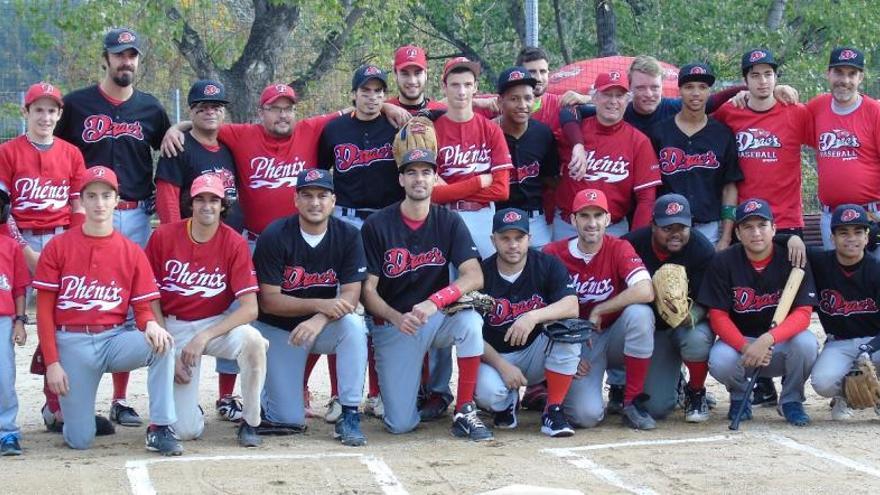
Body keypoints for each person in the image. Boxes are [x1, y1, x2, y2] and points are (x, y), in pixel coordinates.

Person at [54, 27, 172, 427]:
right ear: (105, 58)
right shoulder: (76, 105)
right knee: (73, 302)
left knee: (124, 307)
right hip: (85, 212)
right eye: (119, 54)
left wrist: (183, 127)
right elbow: (54, 153)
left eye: (132, 55)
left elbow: (171, 144)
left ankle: (120, 400)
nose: (126, 62)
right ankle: (57, 400)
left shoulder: (151, 109)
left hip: (135, 214)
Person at [33, 166, 182, 455]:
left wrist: (150, 324)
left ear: (116, 200)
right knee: (80, 440)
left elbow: (141, 307)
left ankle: (161, 427)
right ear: (81, 201)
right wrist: (52, 363)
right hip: (72, 343)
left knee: (162, 343)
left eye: (106, 195)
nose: (99, 203)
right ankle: (60, 413)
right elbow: (44, 312)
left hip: (113, 340)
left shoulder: (131, 251)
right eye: (92, 196)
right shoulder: (58, 247)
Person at [361, 148, 492, 441]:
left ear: (435, 179)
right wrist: (395, 317)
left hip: (436, 316)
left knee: (470, 321)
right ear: (401, 180)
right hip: (395, 324)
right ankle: (403, 394)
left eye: (426, 172)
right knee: (400, 424)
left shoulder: (449, 220)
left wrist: (437, 301)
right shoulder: (377, 225)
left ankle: (464, 410)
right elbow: (367, 291)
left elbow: (475, 275)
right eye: (411, 172)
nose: (419, 179)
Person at [145, 174, 268, 447]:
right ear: (191, 202)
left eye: (214, 199)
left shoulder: (234, 242)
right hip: (173, 326)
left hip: (213, 324)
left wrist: (204, 337)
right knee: (186, 431)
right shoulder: (164, 236)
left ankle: (250, 421)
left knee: (254, 342)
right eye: (200, 199)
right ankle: (188, 412)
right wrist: (166, 348)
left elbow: (250, 309)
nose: (207, 206)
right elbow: (148, 297)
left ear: (223, 205)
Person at [252, 169, 369, 446]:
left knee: (353, 325)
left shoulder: (348, 235)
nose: (315, 202)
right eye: (307, 195)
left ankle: (349, 412)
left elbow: (352, 296)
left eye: (322, 195)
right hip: (279, 328)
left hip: (323, 326)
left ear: (333, 200)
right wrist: (321, 304)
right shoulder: (275, 234)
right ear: (296, 200)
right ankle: (267, 399)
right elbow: (268, 300)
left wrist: (318, 318)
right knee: (288, 420)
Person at [316, 64, 400, 422]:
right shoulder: (335, 129)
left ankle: (378, 393)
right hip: (346, 219)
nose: (372, 97)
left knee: (381, 307)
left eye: (379, 90)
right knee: (344, 308)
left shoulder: (397, 125)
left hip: (385, 218)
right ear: (353, 94)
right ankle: (338, 393)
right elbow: (320, 175)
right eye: (365, 90)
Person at [543, 189, 656, 430]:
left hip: (611, 333)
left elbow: (646, 290)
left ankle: (631, 401)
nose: (592, 223)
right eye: (584, 216)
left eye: (598, 215)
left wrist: (601, 309)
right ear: (573, 220)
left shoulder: (619, 247)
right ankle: (553, 391)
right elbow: (540, 308)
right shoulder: (553, 253)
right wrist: (568, 354)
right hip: (574, 341)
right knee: (586, 416)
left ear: (608, 219)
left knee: (640, 314)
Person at [699, 198, 818, 426]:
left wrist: (768, 338)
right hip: (741, 345)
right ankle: (740, 396)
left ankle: (792, 400)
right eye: (748, 227)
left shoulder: (792, 258)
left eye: (762, 225)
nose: (756, 233)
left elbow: (803, 313)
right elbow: (718, 316)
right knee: (719, 359)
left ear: (774, 229)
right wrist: (747, 347)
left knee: (806, 344)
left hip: (779, 342)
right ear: (738, 233)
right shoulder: (724, 262)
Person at [474, 208, 580, 436]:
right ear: (493, 240)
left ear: (529, 239)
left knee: (568, 330)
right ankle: (506, 404)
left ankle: (553, 410)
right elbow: (469, 333)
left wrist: (532, 316)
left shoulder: (547, 264)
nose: (513, 245)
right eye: (505, 238)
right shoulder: (481, 274)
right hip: (496, 357)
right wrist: (502, 367)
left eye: (519, 238)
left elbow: (572, 305)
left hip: (537, 353)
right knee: (487, 393)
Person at [777, 204, 880, 420]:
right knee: (822, 382)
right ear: (832, 237)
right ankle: (846, 397)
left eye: (858, 232)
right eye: (843, 232)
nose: (851, 238)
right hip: (839, 342)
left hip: (875, 341)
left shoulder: (876, 269)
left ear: (867, 236)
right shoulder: (819, 261)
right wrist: (791, 239)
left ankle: (877, 396)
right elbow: (771, 242)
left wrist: (867, 349)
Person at [622, 194, 716, 421]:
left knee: (697, 337)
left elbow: (708, 299)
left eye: (682, 227)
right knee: (657, 408)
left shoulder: (701, 249)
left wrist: (690, 315)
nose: (675, 233)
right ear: (653, 225)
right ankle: (671, 381)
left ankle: (695, 391)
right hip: (650, 331)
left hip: (684, 327)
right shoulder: (632, 244)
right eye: (667, 227)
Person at [712, 49, 813, 238]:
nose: (763, 81)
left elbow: (828, 140)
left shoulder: (796, 112)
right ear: (745, 80)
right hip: (745, 219)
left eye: (768, 74)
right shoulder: (730, 111)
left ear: (776, 77)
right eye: (755, 75)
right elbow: (702, 130)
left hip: (785, 219)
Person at [555, 71, 661, 240]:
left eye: (619, 95)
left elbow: (646, 199)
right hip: (568, 226)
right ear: (594, 98)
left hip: (614, 229)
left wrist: (636, 240)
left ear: (627, 100)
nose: (613, 101)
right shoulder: (573, 131)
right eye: (606, 94)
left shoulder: (639, 141)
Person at [650, 64, 742, 247]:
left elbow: (729, 187)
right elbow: (649, 187)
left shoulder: (722, 134)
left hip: (708, 228)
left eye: (702, 87)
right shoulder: (659, 132)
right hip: (667, 227)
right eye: (689, 87)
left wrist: (726, 237)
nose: (696, 93)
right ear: (680, 91)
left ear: (709, 92)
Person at [432, 56, 512, 258]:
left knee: (483, 280)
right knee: (448, 281)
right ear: (444, 88)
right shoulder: (431, 130)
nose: (461, 91)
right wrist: (478, 182)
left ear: (475, 87)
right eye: (455, 85)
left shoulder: (492, 130)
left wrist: (449, 190)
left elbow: (502, 190)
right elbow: (431, 194)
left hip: (482, 216)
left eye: (467, 85)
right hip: (444, 215)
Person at [808, 47, 880, 255]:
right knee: (835, 285)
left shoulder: (874, 111)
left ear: (861, 78)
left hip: (871, 215)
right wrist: (778, 90)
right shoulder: (817, 107)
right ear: (828, 74)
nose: (845, 80)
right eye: (839, 72)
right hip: (832, 217)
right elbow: (784, 115)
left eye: (852, 74)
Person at [155, 80, 239, 226]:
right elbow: (167, 200)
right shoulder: (177, 146)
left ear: (223, 112)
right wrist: (174, 237)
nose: (210, 111)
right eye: (203, 107)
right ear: (191, 112)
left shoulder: (230, 147)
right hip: (192, 239)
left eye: (216, 107)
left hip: (229, 240)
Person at [495, 66, 560, 248]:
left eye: (527, 98)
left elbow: (550, 179)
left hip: (535, 221)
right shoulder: (489, 133)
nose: (522, 105)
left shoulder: (543, 134)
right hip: (496, 219)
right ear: (501, 101)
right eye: (514, 99)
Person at [0, 186, 31, 456]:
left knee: (4, 376)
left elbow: (20, 287)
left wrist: (20, 320)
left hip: (3, 321)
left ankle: (7, 430)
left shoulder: (9, 245)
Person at [387, 45, 446, 114]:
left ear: (426, 74)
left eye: (417, 73)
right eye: (405, 74)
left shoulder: (441, 113)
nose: (412, 81)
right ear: (395, 75)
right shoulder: (382, 113)